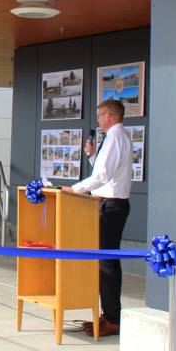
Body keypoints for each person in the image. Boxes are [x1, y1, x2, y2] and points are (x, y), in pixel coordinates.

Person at [64, 99, 132, 337]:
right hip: (109, 203)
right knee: (106, 262)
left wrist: (75, 189)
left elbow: (102, 176)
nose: (98, 120)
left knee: (107, 263)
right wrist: (93, 156)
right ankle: (109, 315)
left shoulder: (114, 137)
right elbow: (106, 172)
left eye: (100, 115)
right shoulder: (115, 137)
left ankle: (113, 318)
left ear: (110, 115)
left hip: (111, 206)